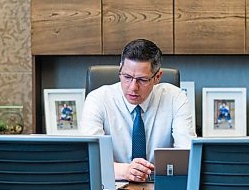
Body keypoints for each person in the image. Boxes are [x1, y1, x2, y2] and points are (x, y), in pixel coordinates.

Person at [81, 39, 196, 182]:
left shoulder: (175, 98)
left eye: (142, 80)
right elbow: (89, 159)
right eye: (127, 77)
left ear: (157, 77)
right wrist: (125, 171)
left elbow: (188, 156)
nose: (133, 87)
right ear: (120, 71)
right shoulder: (98, 99)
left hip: (160, 187)